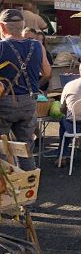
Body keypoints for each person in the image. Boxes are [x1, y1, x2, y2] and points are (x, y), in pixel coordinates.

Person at [0, 9, 51, 170]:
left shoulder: (1, 46)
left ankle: (6, 188)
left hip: (4, 103)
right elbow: (47, 72)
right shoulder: (36, 45)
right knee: (25, 147)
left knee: (1, 147)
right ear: (23, 25)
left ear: (2, 27)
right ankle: (29, 188)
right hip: (29, 101)